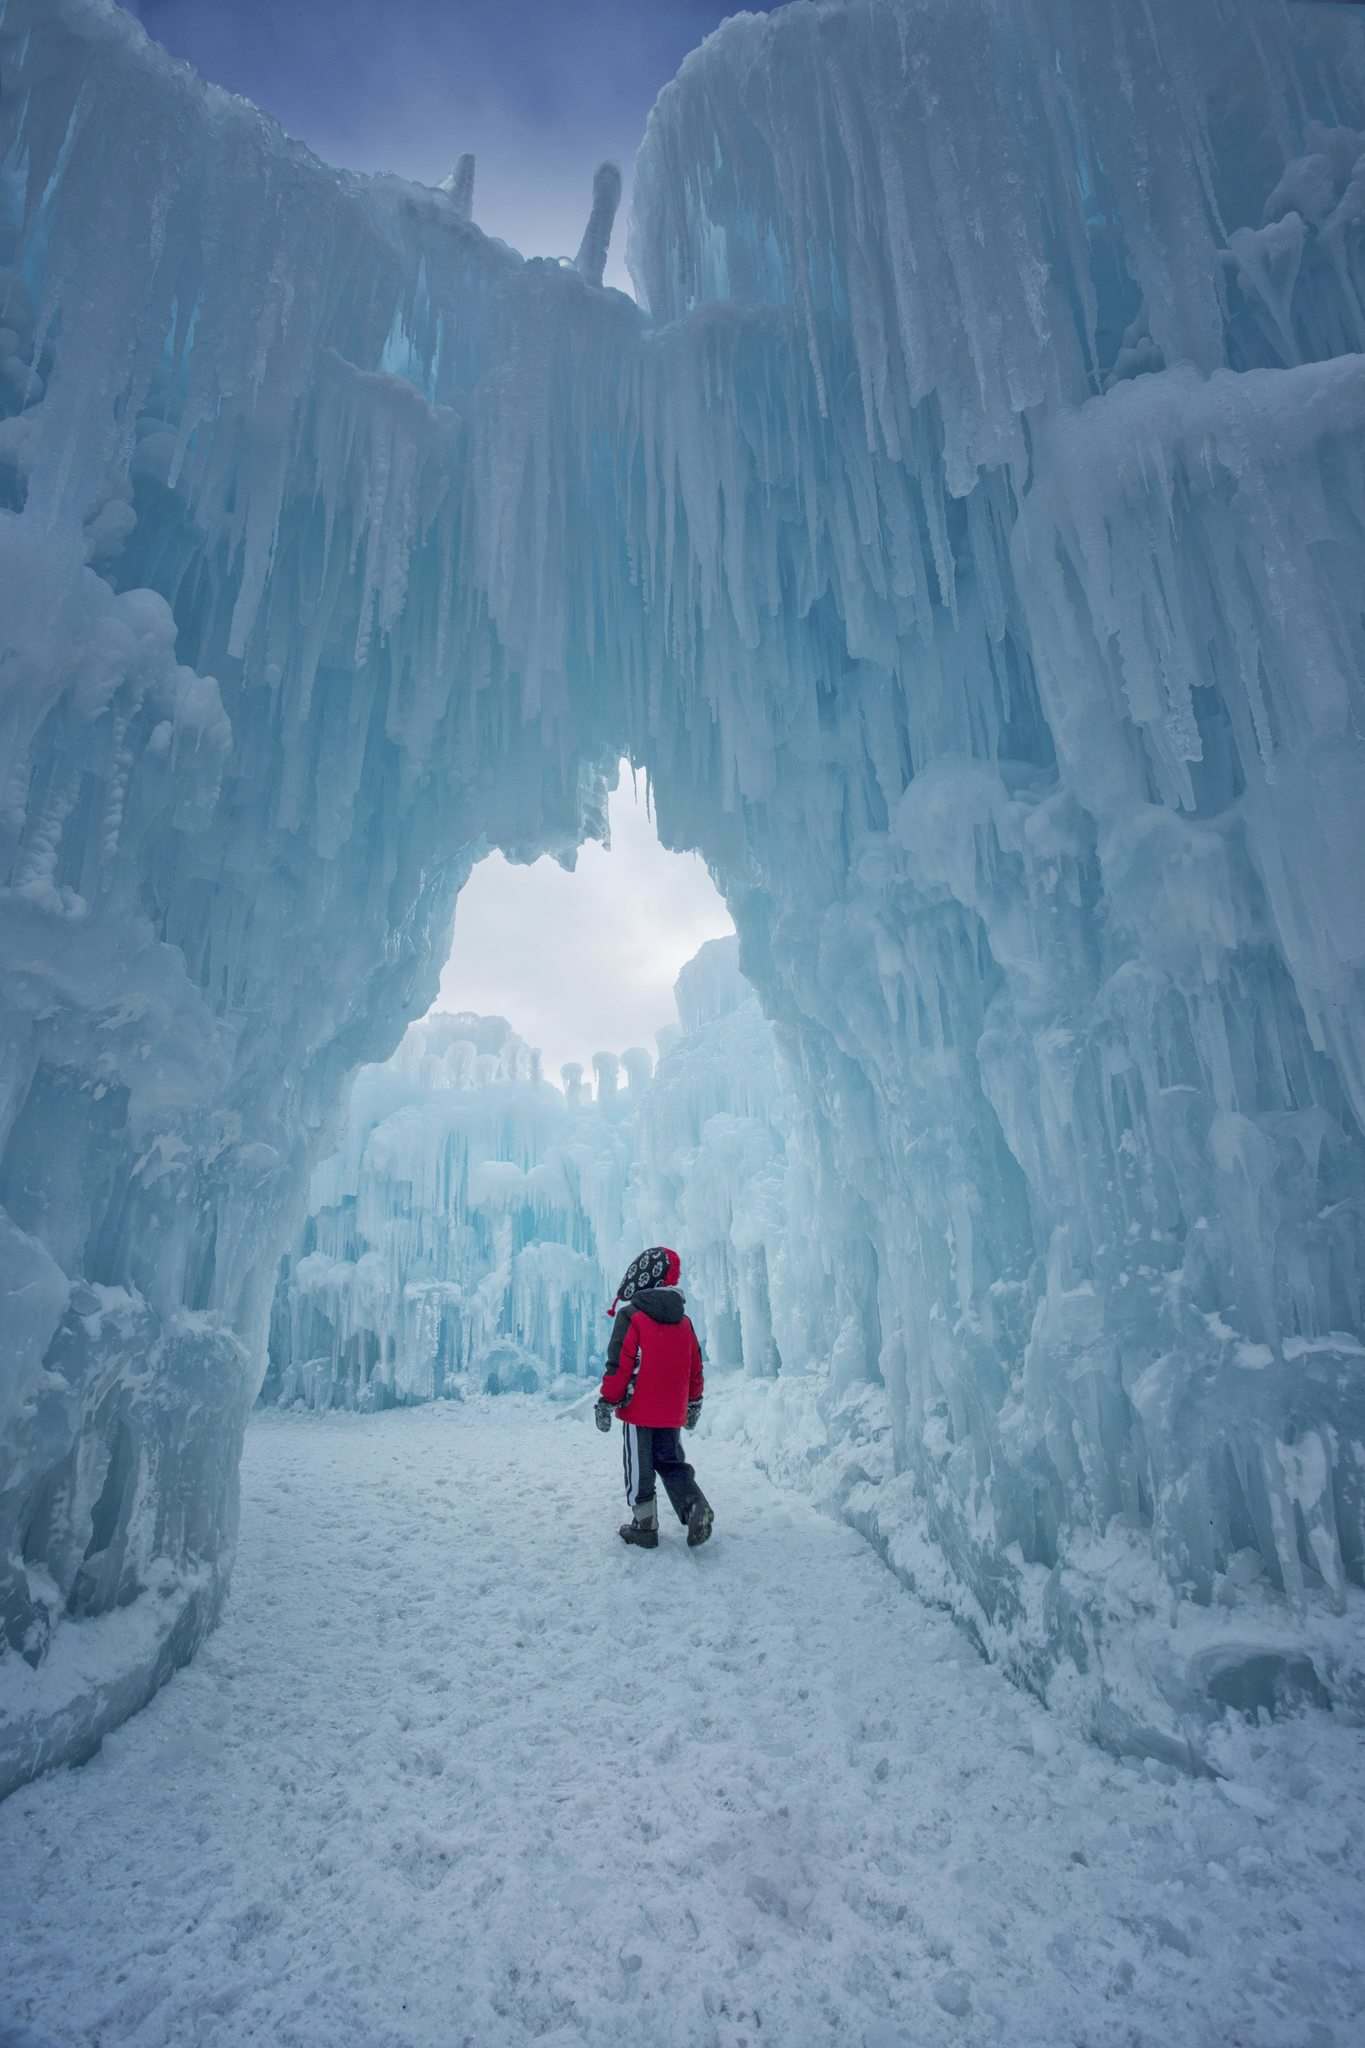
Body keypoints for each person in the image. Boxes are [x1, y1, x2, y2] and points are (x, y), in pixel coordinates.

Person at [594, 1245, 713, 1549]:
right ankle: (694, 1505)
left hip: (638, 1409)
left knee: (639, 1465)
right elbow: (694, 1368)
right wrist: (694, 1403)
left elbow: (620, 1363)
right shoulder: (684, 1322)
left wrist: (608, 1400)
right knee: (671, 1461)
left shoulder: (631, 1316)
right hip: (671, 1411)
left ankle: (644, 1525)